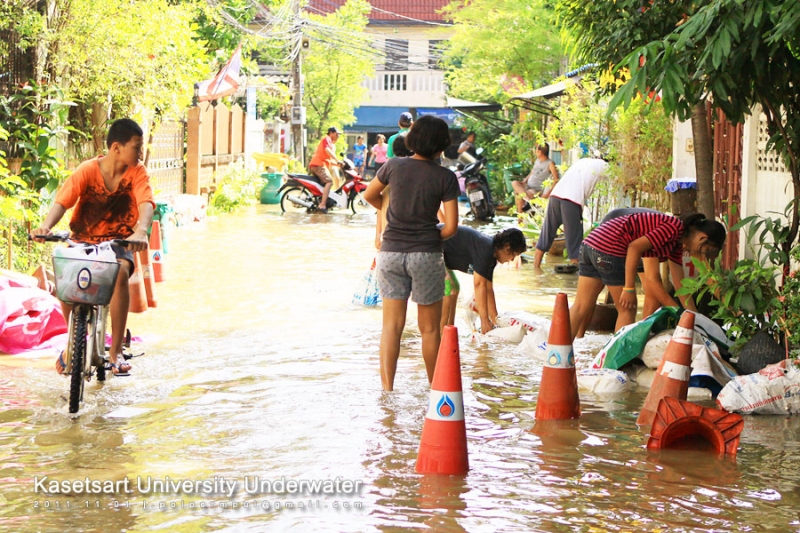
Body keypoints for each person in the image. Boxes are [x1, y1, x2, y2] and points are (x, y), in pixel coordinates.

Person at [31, 118, 154, 376]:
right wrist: (45, 227)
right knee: (66, 273)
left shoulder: (137, 172)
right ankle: (72, 342)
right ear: (117, 147)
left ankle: (116, 350)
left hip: (119, 241)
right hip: (83, 239)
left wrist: (141, 230)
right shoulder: (87, 170)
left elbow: (146, 204)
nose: (140, 153)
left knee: (120, 272)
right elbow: (62, 202)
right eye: (136, 147)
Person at [362, 115, 460, 391]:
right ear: (442, 146)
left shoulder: (393, 166)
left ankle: (388, 392)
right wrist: (427, 235)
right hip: (426, 256)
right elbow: (451, 227)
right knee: (429, 330)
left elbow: (369, 195)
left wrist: (390, 216)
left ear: (412, 139)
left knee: (391, 327)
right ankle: (436, 391)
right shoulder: (446, 177)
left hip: (391, 253)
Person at [569, 211, 727, 339]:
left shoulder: (676, 243)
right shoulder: (674, 227)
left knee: (580, 306)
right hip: (610, 248)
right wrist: (629, 288)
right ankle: (615, 366)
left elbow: (681, 285)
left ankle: (557, 353)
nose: (698, 255)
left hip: (590, 244)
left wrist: (695, 319)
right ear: (702, 238)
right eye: (704, 251)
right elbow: (634, 248)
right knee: (627, 309)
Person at [441, 227, 527, 334]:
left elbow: (488, 289)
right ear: (507, 247)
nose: (512, 260)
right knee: (450, 290)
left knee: (455, 289)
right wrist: (484, 320)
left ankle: (448, 333)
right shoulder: (486, 249)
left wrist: (496, 321)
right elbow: (478, 284)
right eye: (514, 255)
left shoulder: (491, 258)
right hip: (430, 247)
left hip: (440, 255)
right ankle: (440, 335)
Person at [533, 156, 609, 270]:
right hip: (572, 201)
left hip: (555, 196)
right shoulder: (604, 165)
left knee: (547, 233)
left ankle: (536, 268)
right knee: (574, 240)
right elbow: (619, 180)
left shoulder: (582, 162)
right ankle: (576, 278)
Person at [512, 144, 559, 214]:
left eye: (536, 150)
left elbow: (556, 180)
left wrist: (547, 194)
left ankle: (520, 218)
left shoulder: (550, 164)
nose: (535, 151)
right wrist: (524, 181)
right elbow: (532, 172)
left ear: (540, 152)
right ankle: (528, 201)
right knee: (514, 183)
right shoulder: (537, 161)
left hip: (536, 190)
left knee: (518, 196)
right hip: (527, 186)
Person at [308, 127, 342, 214]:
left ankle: (320, 201)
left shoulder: (330, 142)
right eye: (336, 134)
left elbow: (328, 159)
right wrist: (337, 160)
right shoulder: (327, 139)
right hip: (318, 165)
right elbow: (327, 150)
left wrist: (338, 164)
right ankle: (322, 205)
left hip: (318, 164)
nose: (338, 136)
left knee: (323, 184)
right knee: (329, 182)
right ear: (331, 133)